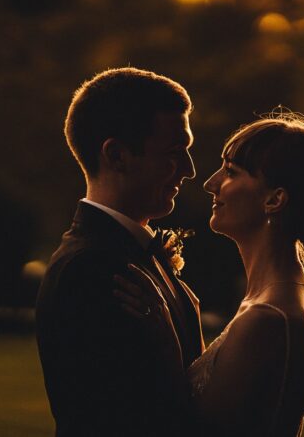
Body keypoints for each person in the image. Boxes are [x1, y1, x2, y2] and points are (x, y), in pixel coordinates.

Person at [115, 111, 304, 437]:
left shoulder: (266, 317)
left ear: (274, 199)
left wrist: (166, 345)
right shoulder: (289, 297)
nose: (211, 184)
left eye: (231, 172)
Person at [35, 67, 205, 437]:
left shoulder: (133, 253)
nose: (189, 171)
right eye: (176, 153)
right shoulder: (92, 270)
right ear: (117, 156)